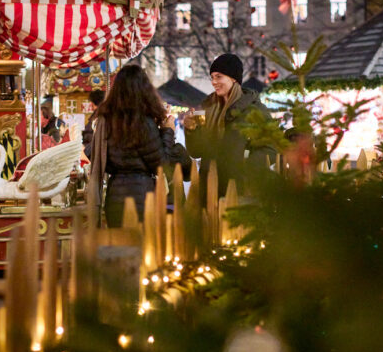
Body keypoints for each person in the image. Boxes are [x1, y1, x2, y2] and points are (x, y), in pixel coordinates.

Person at [88, 64, 175, 227]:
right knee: (142, 249)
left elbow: (102, 160)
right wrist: (168, 131)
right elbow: (161, 164)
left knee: (120, 248)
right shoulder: (144, 123)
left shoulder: (106, 121)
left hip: (114, 197)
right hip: (143, 197)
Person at [183, 53, 275, 199]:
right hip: (209, 190)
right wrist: (191, 130)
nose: (213, 82)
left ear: (233, 78)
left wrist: (246, 165)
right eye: (212, 77)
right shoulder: (206, 107)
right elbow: (196, 152)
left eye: (219, 76)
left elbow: (271, 146)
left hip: (240, 191)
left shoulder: (253, 109)